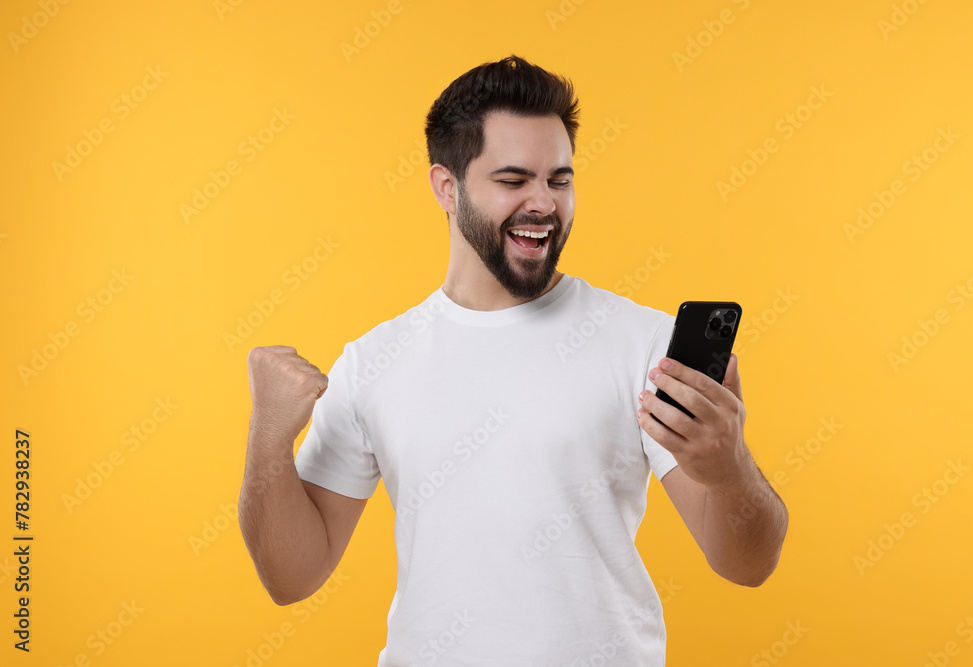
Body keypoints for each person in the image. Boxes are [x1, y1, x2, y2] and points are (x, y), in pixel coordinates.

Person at [238, 54, 788, 665]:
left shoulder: (643, 345)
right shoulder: (374, 361)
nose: (544, 203)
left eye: (559, 179)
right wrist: (268, 437)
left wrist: (729, 467)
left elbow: (747, 566)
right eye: (513, 180)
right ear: (447, 187)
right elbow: (292, 579)